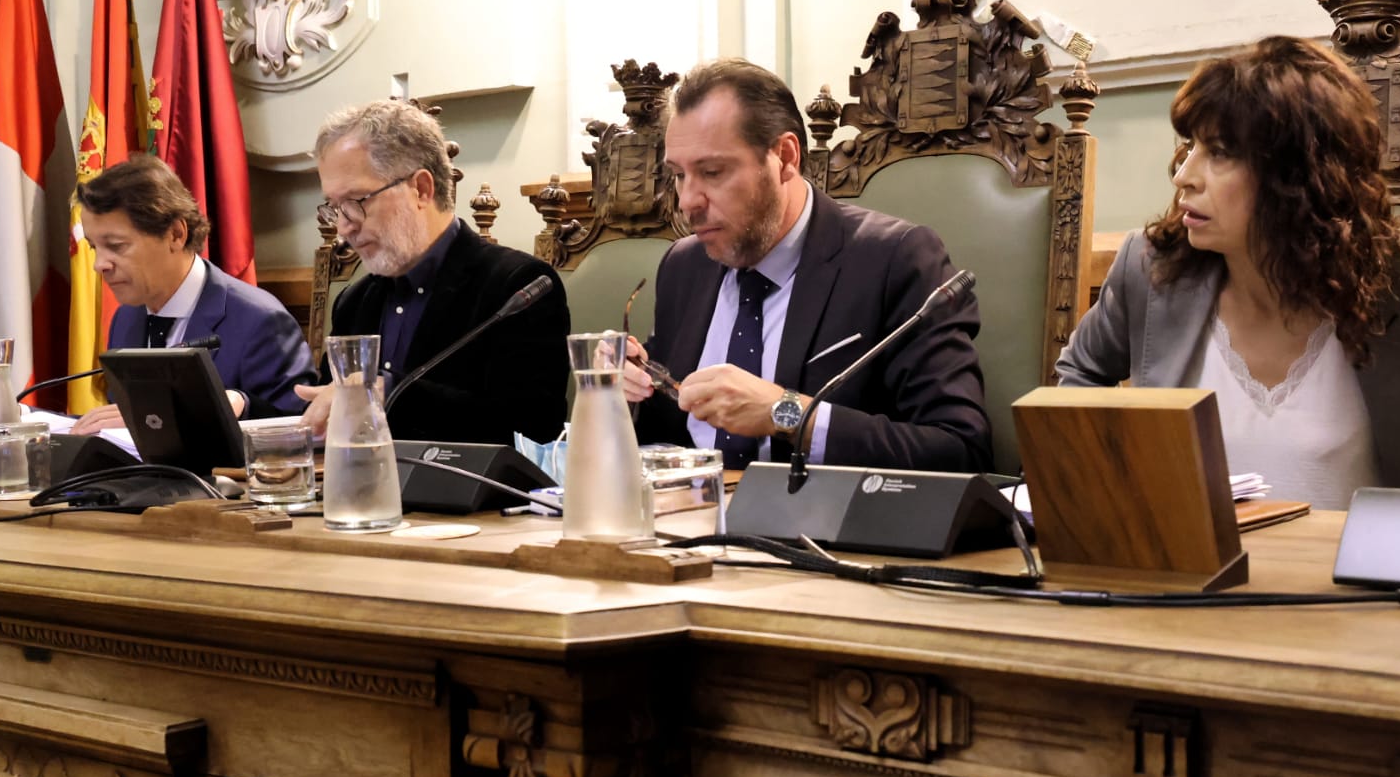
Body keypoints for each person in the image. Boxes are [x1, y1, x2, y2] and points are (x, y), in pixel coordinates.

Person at [1055, 36, 1400, 509]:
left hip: (1360, 558)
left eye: (1219, 152)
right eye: (1190, 146)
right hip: (1192, 559)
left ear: (1298, 175)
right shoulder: (1149, 271)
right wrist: (1119, 494)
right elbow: (1075, 380)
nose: (1184, 175)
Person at [622, 59, 991, 473]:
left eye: (712, 172)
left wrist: (789, 414)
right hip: (687, 510)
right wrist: (622, 394)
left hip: (820, 513)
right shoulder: (684, 265)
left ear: (785, 157)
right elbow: (663, 434)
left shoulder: (895, 260)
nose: (688, 200)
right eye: (678, 175)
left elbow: (959, 448)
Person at [299, 100, 570, 445]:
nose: (343, 227)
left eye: (356, 201)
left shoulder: (517, 287)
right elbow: (330, 415)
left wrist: (392, 394)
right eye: (334, 207)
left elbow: (534, 430)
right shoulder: (355, 302)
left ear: (421, 189)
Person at [72, 154, 313, 432]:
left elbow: (298, 428)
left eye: (116, 246)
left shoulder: (260, 321)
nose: (99, 264)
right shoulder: (125, 319)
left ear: (176, 234)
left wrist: (237, 404)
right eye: (94, 247)